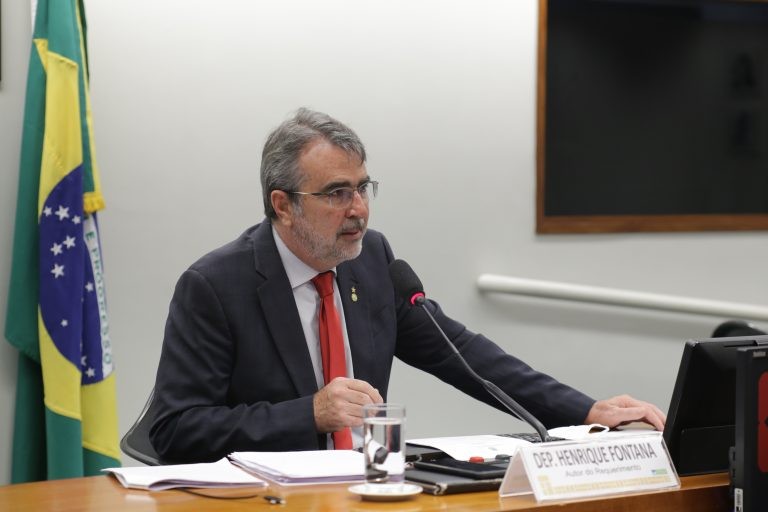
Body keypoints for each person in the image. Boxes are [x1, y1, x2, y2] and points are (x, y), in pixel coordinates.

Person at [149, 108, 665, 463]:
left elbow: (462, 354)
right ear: (283, 204)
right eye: (336, 193)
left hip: (366, 489)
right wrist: (309, 414)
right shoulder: (214, 287)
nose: (358, 210)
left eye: (362, 188)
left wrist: (586, 412)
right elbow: (175, 430)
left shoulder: (372, 261)